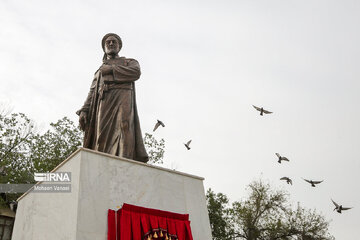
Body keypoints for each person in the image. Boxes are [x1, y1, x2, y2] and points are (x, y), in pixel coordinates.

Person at [77, 33, 148, 163]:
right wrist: (84, 110)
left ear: (119, 46)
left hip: (123, 96)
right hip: (104, 101)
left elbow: (135, 72)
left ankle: (125, 160)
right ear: (104, 48)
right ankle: (100, 162)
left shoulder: (129, 62)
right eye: (108, 42)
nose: (111, 44)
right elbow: (92, 92)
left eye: (114, 42)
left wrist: (110, 70)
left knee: (124, 126)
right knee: (101, 134)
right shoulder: (99, 71)